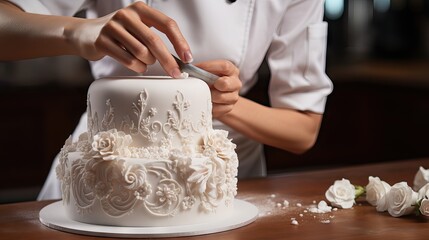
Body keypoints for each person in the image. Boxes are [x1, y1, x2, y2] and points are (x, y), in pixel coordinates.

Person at [0, 0, 333, 200]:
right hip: (105, 172)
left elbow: (303, 130)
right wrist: (78, 32)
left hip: (222, 188)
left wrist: (224, 103)